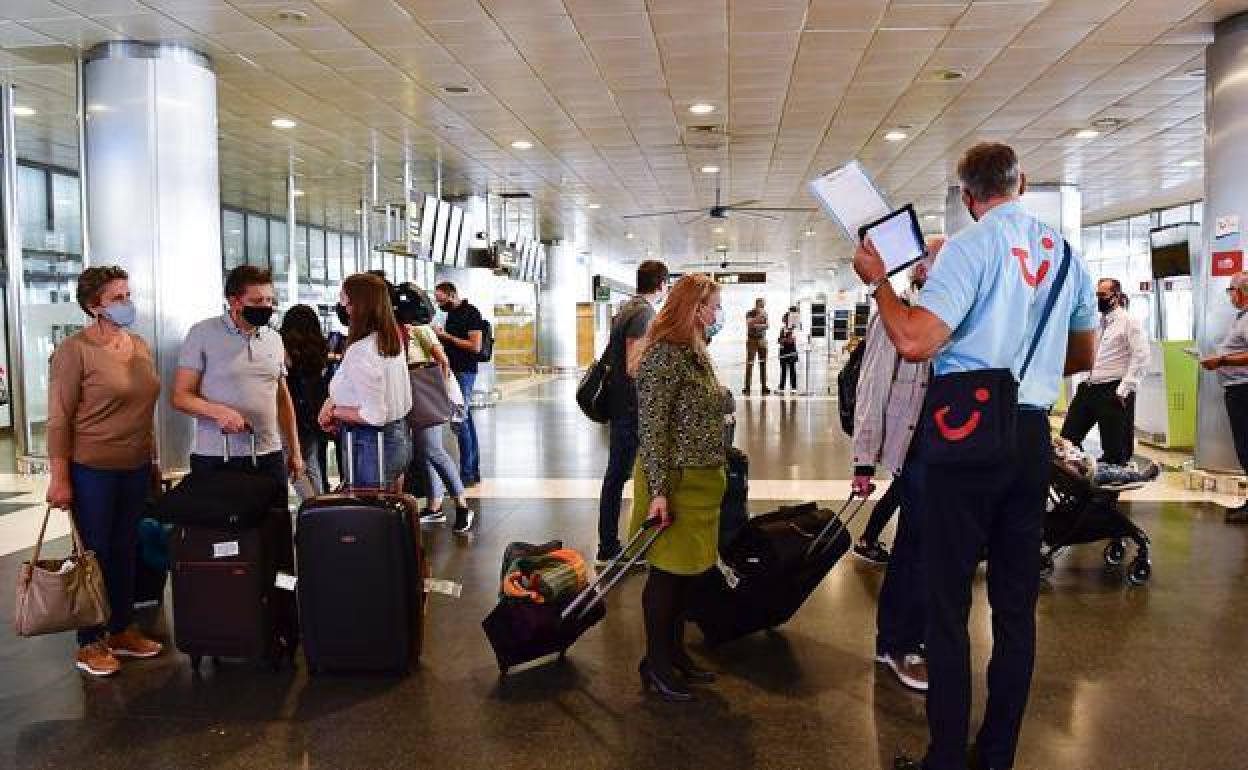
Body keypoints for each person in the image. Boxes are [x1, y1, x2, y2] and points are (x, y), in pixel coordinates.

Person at [854, 142, 1097, 770]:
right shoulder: (1067, 255)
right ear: (1023, 184)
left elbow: (914, 341)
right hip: (1029, 433)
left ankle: (944, 757)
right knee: (1015, 608)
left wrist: (879, 283)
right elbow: (1083, 356)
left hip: (964, 432)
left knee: (948, 604)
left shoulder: (970, 247)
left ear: (967, 197)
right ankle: (996, 756)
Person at [46, 266, 164, 677]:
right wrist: (60, 479)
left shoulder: (139, 345)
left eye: (128, 295)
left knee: (127, 548)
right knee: (93, 555)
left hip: (134, 465)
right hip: (91, 468)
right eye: (117, 297)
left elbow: (145, 409)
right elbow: (59, 419)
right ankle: (90, 640)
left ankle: (121, 628)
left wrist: (153, 459)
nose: (127, 303)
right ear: (94, 305)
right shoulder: (74, 351)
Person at [850, 238, 944, 694]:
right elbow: (872, 386)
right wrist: (864, 461)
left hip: (948, 451)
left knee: (921, 546)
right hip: (917, 448)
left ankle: (898, 640)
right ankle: (901, 643)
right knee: (919, 548)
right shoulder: (897, 313)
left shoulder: (951, 313)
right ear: (921, 270)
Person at [627, 273, 727, 702]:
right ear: (695, 308)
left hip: (702, 480)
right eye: (714, 306)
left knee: (687, 575)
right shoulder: (664, 356)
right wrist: (659, 492)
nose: (718, 313)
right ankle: (656, 663)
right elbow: (652, 429)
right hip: (674, 481)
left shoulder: (694, 352)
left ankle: (675, 654)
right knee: (667, 576)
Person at [173, 266, 303, 487]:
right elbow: (180, 397)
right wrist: (218, 412)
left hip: (268, 455)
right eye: (257, 301)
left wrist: (295, 450)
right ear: (234, 302)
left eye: (270, 300)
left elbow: (281, 397)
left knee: (273, 510)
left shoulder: (274, 339)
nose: (266, 307)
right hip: (218, 455)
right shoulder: (202, 333)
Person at [596, 259, 669, 565]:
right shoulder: (643, 314)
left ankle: (609, 544)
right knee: (622, 476)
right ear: (662, 284)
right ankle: (610, 546)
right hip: (631, 407)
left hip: (621, 403)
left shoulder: (627, 308)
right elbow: (634, 366)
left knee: (618, 476)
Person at [319, 273, 413, 492]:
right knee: (385, 505)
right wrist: (332, 403)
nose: (343, 308)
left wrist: (335, 412)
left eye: (345, 301)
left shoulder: (362, 351)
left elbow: (374, 415)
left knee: (367, 509)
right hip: (397, 436)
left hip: (371, 444)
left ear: (357, 306)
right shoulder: (388, 343)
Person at [1060, 278, 1150, 469]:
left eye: (1102, 295)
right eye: (1096, 295)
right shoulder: (1096, 323)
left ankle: (1114, 483)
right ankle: (1080, 477)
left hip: (1113, 390)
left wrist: (1124, 389)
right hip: (1088, 388)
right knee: (1067, 439)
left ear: (1116, 296)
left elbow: (1141, 356)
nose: (1098, 299)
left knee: (1115, 451)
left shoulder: (1129, 322)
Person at [407, 315, 477, 534]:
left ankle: (462, 505)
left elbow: (443, 361)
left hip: (425, 394)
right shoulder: (393, 330)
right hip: (409, 396)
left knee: (433, 450)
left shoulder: (419, 329)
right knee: (423, 453)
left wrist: (439, 394)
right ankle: (434, 505)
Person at [1202, 271, 1248, 522]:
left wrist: (1222, 360)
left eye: (1231, 290)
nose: (1230, 295)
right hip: (1237, 389)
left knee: (1246, 448)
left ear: (1242, 292)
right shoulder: (1241, 318)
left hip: (1243, 390)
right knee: (1244, 448)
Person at [433, 282, 485, 485]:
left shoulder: (471, 313)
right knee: (465, 420)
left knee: (460, 420)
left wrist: (446, 336)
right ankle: (472, 471)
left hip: (465, 371)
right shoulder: (451, 314)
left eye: (441, 300)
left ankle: (467, 474)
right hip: (453, 371)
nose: (439, 304)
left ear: (452, 295)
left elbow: (475, 346)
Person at [279, 304, 330, 496]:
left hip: (290, 415)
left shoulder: (283, 350)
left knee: (294, 464)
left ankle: (312, 505)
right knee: (311, 462)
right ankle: (319, 503)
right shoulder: (319, 351)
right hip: (311, 416)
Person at [743, 297, 771, 396]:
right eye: (761, 305)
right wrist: (758, 318)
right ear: (757, 304)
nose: (763, 306)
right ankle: (747, 387)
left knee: (763, 364)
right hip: (752, 340)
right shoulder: (749, 313)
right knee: (750, 364)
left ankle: (764, 387)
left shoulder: (765, 313)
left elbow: (767, 325)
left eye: (763, 305)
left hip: (762, 340)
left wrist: (757, 325)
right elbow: (749, 324)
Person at [777, 306, 800, 394]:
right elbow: (779, 340)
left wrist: (785, 339)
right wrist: (783, 340)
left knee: (792, 369)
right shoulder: (782, 329)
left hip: (791, 351)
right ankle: (781, 387)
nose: (784, 320)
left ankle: (793, 387)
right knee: (783, 370)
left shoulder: (794, 329)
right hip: (783, 351)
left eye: (786, 318)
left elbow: (791, 340)